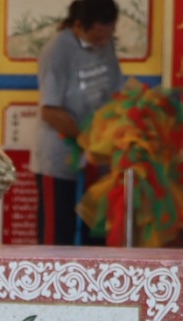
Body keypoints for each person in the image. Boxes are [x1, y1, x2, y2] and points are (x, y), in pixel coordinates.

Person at [35, 0, 127, 246]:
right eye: (97, 38)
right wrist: (88, 139)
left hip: (98, 156)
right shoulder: (56, 51)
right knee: (57, 234)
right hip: (60, 155)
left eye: (108, 38)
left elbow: (117, 95)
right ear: (78, 26)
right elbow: (50, 111)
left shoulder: (105, 45)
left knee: (97, 232)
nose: (102, 44)